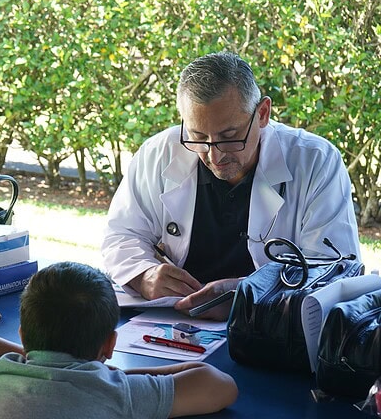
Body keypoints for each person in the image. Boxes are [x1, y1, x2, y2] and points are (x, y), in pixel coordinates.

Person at [101, 51, 361, 319]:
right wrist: (144, 275)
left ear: (262, 114)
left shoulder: (315, 161)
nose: (215, 156)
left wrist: (251, 294)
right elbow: (122, 235)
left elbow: (337, 268)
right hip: (171, 321)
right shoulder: (159, 152)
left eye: (229, 136)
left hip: (274, 327)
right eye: (198, 136)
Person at [0, 261, 238, 418]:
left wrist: (35, 360)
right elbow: (221, 386)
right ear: (110, 344)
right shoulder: (118, 392)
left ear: (22, 334)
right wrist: (114, 374)